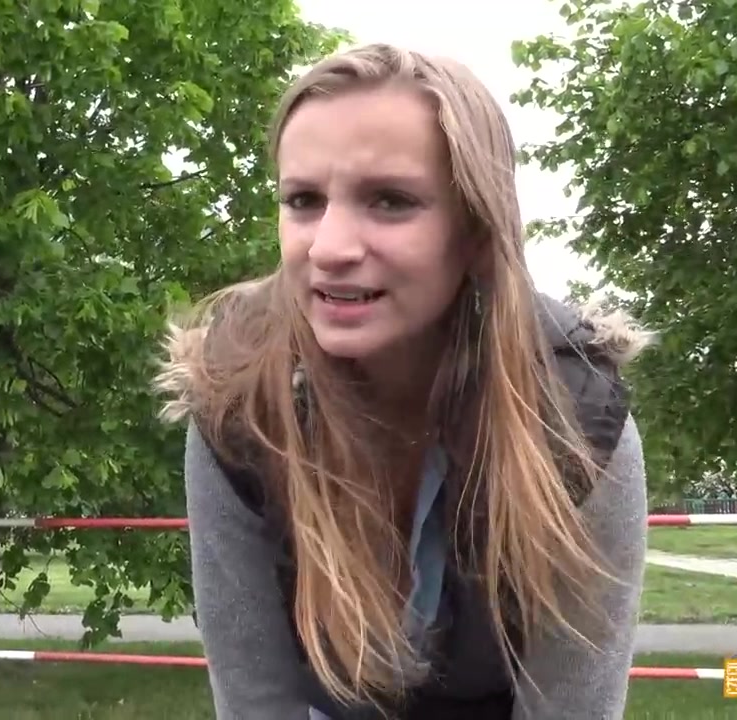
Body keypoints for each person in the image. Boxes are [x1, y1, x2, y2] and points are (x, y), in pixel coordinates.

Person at [155, 42, 652, 720]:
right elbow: (255, 703)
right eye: (303, 200)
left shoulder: (577, 419)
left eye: (390, 201)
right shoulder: (240, 408)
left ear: (476, 232)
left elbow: (573, 706)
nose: (329, 248)